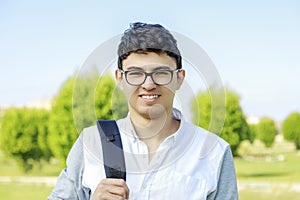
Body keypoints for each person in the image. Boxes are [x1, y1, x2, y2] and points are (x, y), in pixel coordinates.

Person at [48, 22, 239, 200]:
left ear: (179, 78)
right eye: (135, 73)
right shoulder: (91, 142)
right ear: (120, 79)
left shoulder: (215, 151)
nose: (148, 84)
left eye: (161, 73)